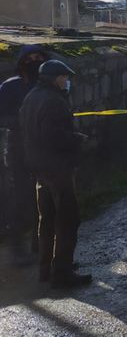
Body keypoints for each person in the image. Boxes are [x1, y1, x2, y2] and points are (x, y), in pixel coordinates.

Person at [20, 60, 91, 287]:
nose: (67, 81)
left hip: (39, 168)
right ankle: (62, 272)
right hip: (58, 168)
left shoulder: (31, 97)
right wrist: (78, 138)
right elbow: (54, 136)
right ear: (55, 78)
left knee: (47, 220)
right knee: (68, 218)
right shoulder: (54, 101)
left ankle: (46, 268)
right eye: (64, 77)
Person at [0, 45, 49, 265]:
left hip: (44, 148)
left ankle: (42, 246)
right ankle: (17, 247)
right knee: (20, 198)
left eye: (38, 57)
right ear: (21, 63)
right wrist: (22, 122)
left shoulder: (46, 86)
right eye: (30, 58)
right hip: (18, 149)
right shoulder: (10, 87)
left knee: (45, 198)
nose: (35, 62)